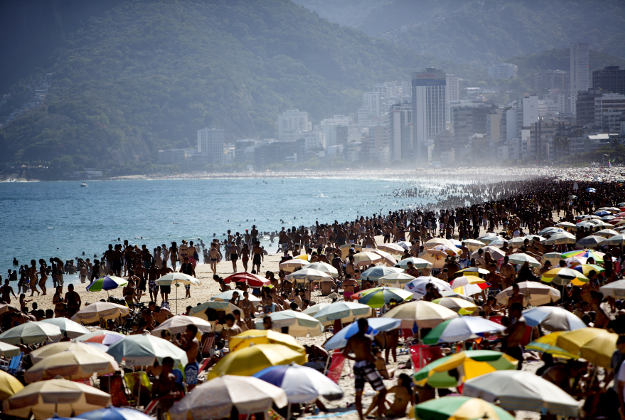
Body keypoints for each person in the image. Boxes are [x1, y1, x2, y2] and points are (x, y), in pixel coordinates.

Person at [343, 318, 387, 420]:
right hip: (366, 365)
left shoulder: (352, 338)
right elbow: (368, 354)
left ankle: (361, 417)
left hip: (357, 365)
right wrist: (375, 358)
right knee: (382, 390)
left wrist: (355, 358)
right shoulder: (367, 339)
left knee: (358, 393)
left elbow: (344, 354)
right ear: (366, 326)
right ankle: (379, 414)